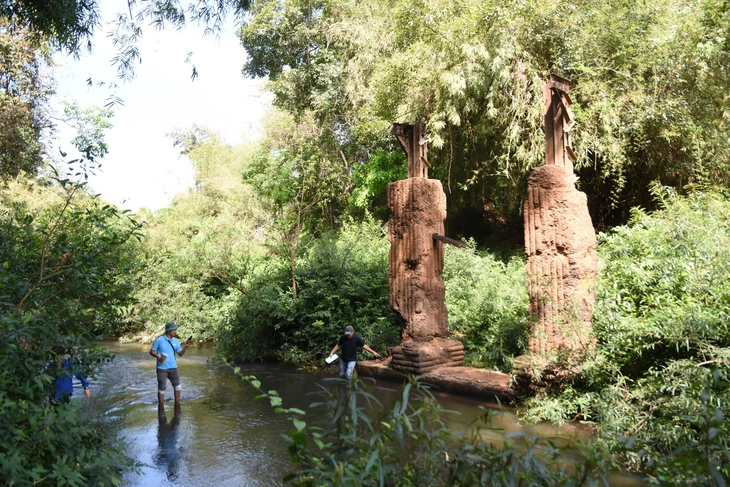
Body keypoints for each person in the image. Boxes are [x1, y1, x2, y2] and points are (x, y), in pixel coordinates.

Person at [150, 321, 191, 406]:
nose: (175, 331)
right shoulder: (159, 340)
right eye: (174, 330)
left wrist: (185, 347)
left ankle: (177, 404)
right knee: (162, 388)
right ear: (169, 330)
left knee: (178, 386)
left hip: (173, 367)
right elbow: (152, 351)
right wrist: (158, 357)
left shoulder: (176, 341)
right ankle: (161, 406)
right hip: (162, 368)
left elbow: (180, 354)